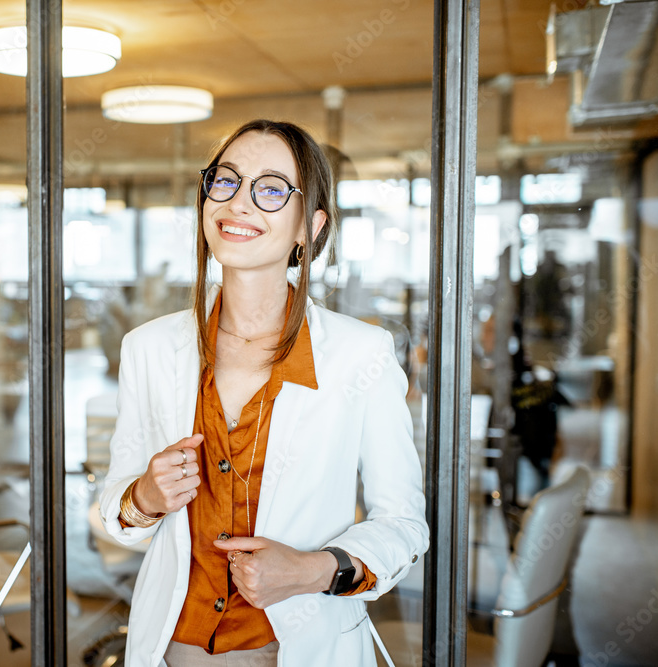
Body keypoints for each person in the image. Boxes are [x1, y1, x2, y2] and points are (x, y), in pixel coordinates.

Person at [100, 119, 428, 666]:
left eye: (272, 189)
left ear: (310, 226)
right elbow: (118, 507)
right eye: (225, 181)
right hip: (175, 646)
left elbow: (403, 524)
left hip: (304, 644)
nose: (239, 203)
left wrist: (310, 569)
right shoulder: (149, 348)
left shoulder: (360, 355)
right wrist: (146, 499)